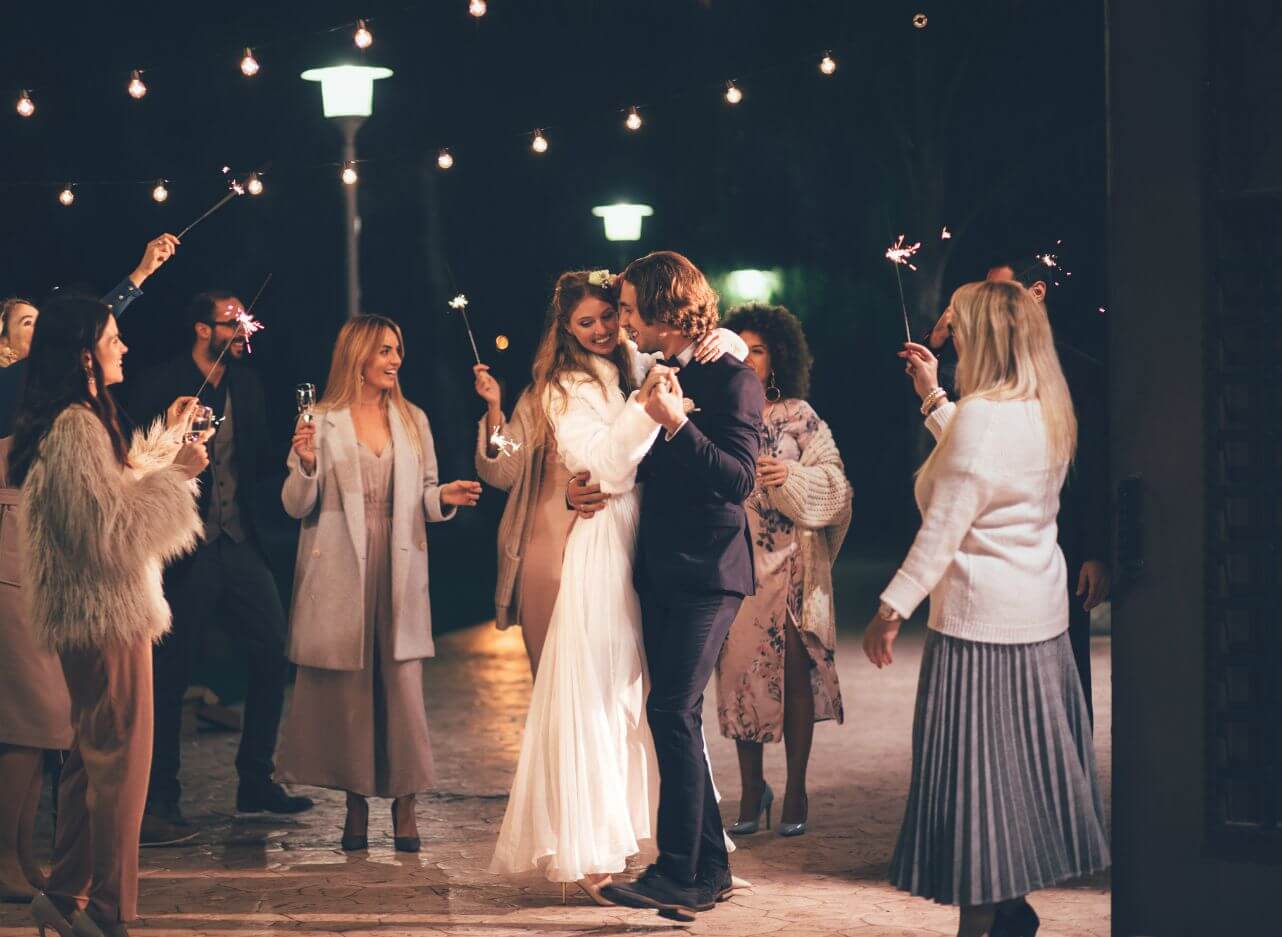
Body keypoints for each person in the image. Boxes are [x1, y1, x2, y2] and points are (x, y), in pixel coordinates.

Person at [867, 280, 1109, 937]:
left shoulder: (983, 418)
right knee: (1016, 784)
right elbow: (982, 465)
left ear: (985, 340)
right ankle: (1009, 912)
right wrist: (934, 396)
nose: (952, 336)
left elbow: (946, 521)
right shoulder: (1043, 409)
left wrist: (890, 608)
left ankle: (982, 925)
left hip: (979, 632)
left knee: (976, 791)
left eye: (959, 327)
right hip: (1040, 625)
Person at [10, 296, 206, 937]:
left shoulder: (81, 421)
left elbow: (117, 487)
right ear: (83, 354)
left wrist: (173, 445)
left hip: (100, 610)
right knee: (121, 766)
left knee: (91, 760)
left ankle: (65, 897)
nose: (123, 348)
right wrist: (177, 479)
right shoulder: (74, 426)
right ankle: (108, 911)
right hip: (105, 612)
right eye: (113, 338)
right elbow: (109, 529)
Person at [277, 315, 481, 852]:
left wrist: (446, 499)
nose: (395, 360)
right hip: (343, 564)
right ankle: (354, 805)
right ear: (358, 355)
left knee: (402, 689)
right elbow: (296, 506)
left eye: (398, 349)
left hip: (398, 562)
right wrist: (303, 464)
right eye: (385, 350)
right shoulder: (320, 420)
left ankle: (407, 807)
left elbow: (428, 495)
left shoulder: (413, 418)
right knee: (351, 693)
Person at [604, 252, 765, 922]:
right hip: (665, 568)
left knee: (672, 710)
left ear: (666, 309)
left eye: (631, 309)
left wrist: (676, 423)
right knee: (676, 714)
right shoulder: (671, 371)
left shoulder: (732, 377)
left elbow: (737, 479)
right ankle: (709, 867)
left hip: (710, 572)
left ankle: (680, 872)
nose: (623, 322)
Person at [127, 291, 311, 846]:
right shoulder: (162, 384)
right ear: (203, 328)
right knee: (172, 669)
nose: (242, 330)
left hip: (238, 539)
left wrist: (299, 448)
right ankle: (161, 797)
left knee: (272, 646)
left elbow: (251, 463)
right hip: (186, 546)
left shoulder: (247, 385)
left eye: (243, 320)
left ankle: (255, 778)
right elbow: (140, 460)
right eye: (232, 323)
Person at [472, 308, 744, 677]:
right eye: (586, 323)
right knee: (562, 670)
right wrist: (493, 412)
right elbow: (504, 467)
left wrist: (724, 338)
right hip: (553, 532)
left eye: (609, 317)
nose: (601, 330)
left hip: (628, 527)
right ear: (567, 328)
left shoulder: (637, 373)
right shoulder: (543, 393)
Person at [925, 261, 1111, 723]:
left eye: (997, 294)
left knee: (1065, 682)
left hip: (1062, 547)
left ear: (1035, 294)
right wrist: (938, 344)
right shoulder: (980, 375)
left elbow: (1095, 467)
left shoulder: (1081, 372)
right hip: (991, 562)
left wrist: (1097, 550)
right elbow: (946, 417)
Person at [714, 303, 851, 839]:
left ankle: (795, 787)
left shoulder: (799, 415)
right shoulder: (718, 412)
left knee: (794, 676)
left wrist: (789, 475)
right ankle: (752, 789)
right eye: (739, 349)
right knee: (739, 679)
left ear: (779, 356)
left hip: (792, 564)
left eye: (759, 349)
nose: (748, 359)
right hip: (735, 562)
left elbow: (838, 489)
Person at [0, 233, 180, 435]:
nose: (42, 327)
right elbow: (86, 326)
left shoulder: (59, 384)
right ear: (3, 343)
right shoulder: (12, 382)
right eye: (28, 323)